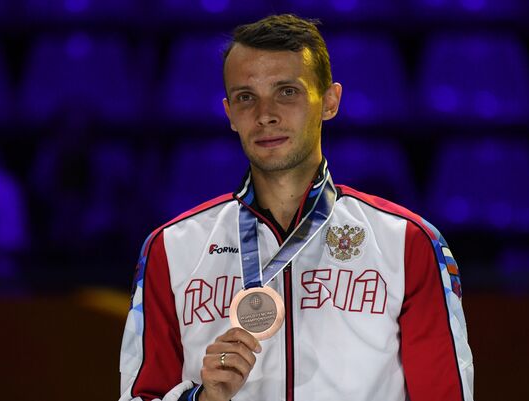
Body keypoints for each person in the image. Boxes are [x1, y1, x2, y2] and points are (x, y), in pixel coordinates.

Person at [119, 14, 474, 401]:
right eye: (245, 97)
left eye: (287, 92)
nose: (265, 114)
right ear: (229, 115)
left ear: (330, 102)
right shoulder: (171, 249)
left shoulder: (408, 243)